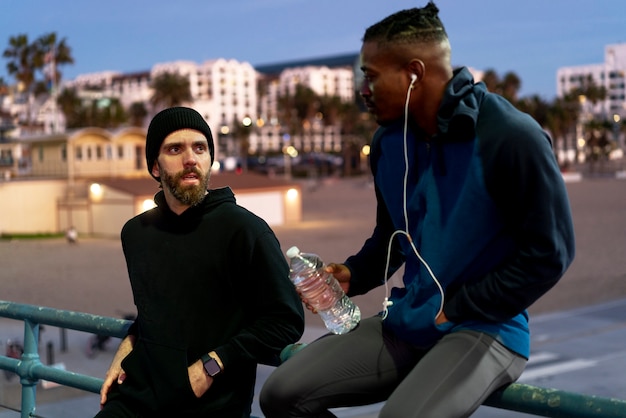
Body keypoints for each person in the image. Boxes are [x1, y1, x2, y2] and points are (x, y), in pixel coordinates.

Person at [260, 3, 575, 418]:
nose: (363, 90)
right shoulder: (389, 144)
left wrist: (461, 306)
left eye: (370, 76)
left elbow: (551, 253)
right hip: (409, 320)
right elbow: (392, 235)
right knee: (280, 392)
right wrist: (354, 274)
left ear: (413, 74)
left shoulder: (509, 135)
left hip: (485, 328)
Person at [96, 106, 304, 417]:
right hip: (136, 398)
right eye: (175, 149)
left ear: (209, 159)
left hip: (210, 403)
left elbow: (286, 320)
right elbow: (166, 307)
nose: (190, 158)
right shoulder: (137, 234)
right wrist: (132, 339)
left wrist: (214, 363)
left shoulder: (245, 230)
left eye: (200, 148)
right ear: (155, 166)